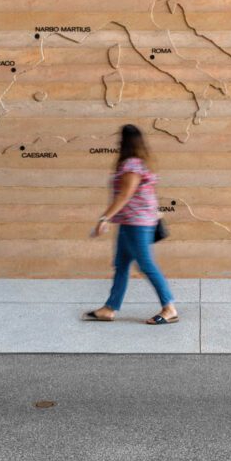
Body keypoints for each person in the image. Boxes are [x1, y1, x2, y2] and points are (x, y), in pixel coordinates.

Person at [83, 124, 178, 325]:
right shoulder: (138, 163)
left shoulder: (132, 165)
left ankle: (169, 308)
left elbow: (125, 195)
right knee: (121, 265)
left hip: (138, 224)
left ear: (126, 143)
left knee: (146, 265)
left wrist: (104, 218)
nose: (118, 144)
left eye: (120, 141)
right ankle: (109, 308)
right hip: (129, 223)